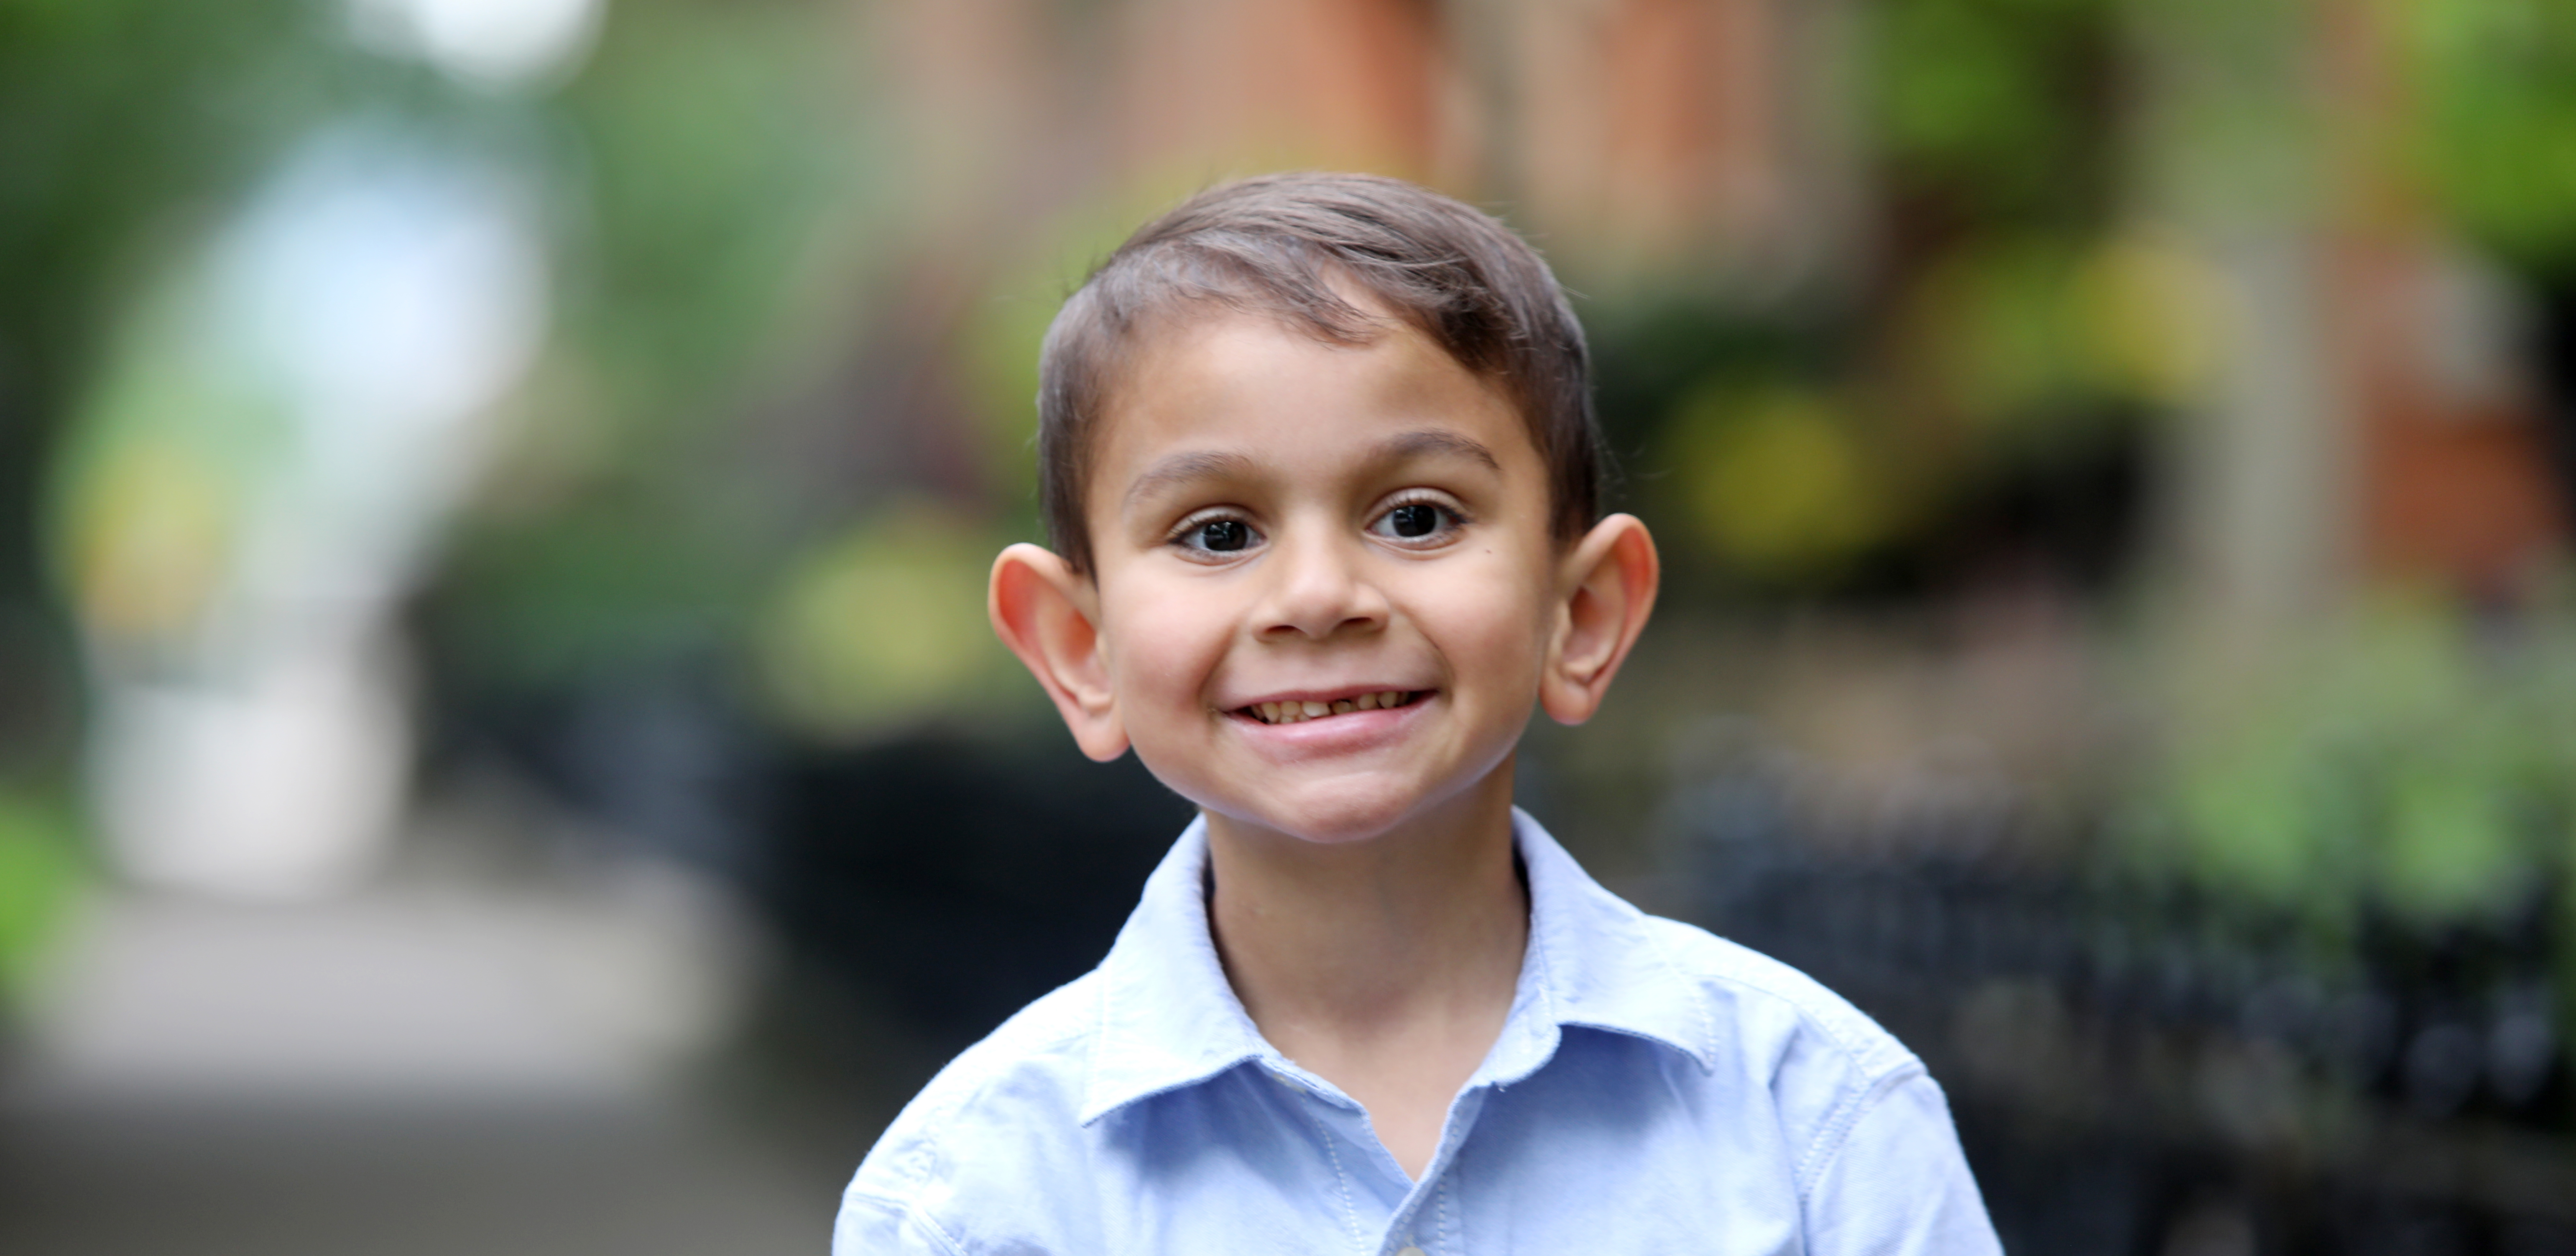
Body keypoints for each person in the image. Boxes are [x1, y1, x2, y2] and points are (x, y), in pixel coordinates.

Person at [833, 172, 2000, 1254]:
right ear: (1079, 648)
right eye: (1219, 533)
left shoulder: (1818, 1127)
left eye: (1418, 517)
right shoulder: (973, 1200)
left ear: (1580, 614)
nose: (1318, 597)